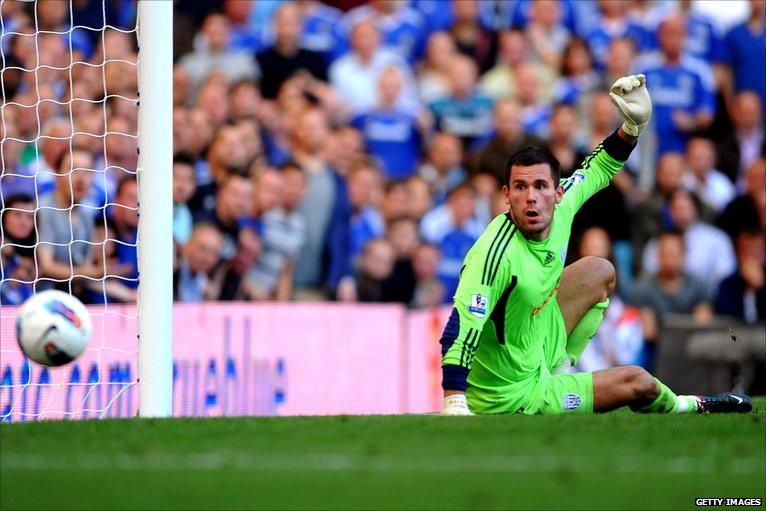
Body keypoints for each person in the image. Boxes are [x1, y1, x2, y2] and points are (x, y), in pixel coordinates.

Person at [440, 75, 752, 416]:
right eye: (520, 187)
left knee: (600, 270)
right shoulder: (494, 251)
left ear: (558, 193)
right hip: (511, 396)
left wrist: (632, 128)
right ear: (506, 195)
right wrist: (455, 401)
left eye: (541, 186)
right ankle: (690, 406)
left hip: (539, 346)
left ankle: (561, 368)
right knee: (640, 382)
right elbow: (460, 325)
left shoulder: (563, 207)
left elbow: (600, 167)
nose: (531, 197)